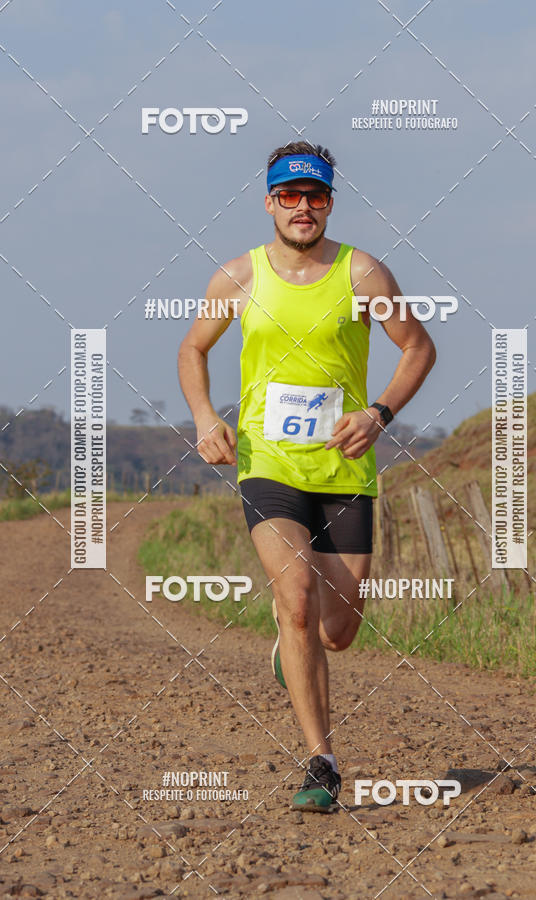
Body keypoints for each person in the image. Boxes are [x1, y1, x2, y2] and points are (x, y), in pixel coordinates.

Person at [178, 140, 436, 812]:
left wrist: (378, 414)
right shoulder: (237, 278)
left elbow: (418, 347)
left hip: (345, 467)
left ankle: (289, 648)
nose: (301, 207)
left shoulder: (363, 275)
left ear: (329, 203)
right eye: (288, 195)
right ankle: (321, 761)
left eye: (314, 195)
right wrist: (207, 418)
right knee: (295, 596)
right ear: (269, 203)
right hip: (267, 465)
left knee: (338, 629)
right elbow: (193, 348)